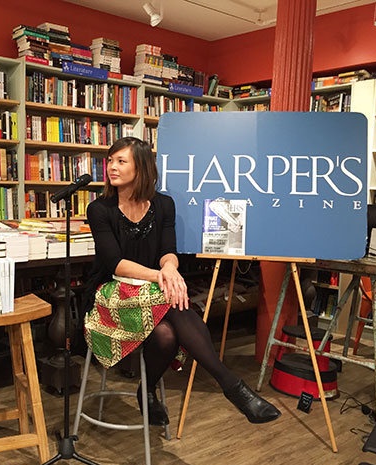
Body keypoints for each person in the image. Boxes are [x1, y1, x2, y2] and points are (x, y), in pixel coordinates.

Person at [83, 136, 281, 426]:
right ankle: (232, 387)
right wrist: (162, 276)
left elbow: (167, 251)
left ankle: (147, 390)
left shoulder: (164, 204)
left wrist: (171, 269)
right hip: (112, 292)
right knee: (172, 298)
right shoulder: (100, 209)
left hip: (153, 290)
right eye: (111, 160)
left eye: (121, 161)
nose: (112, 167)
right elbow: (116, 263)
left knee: (166, 335)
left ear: (142, 168)